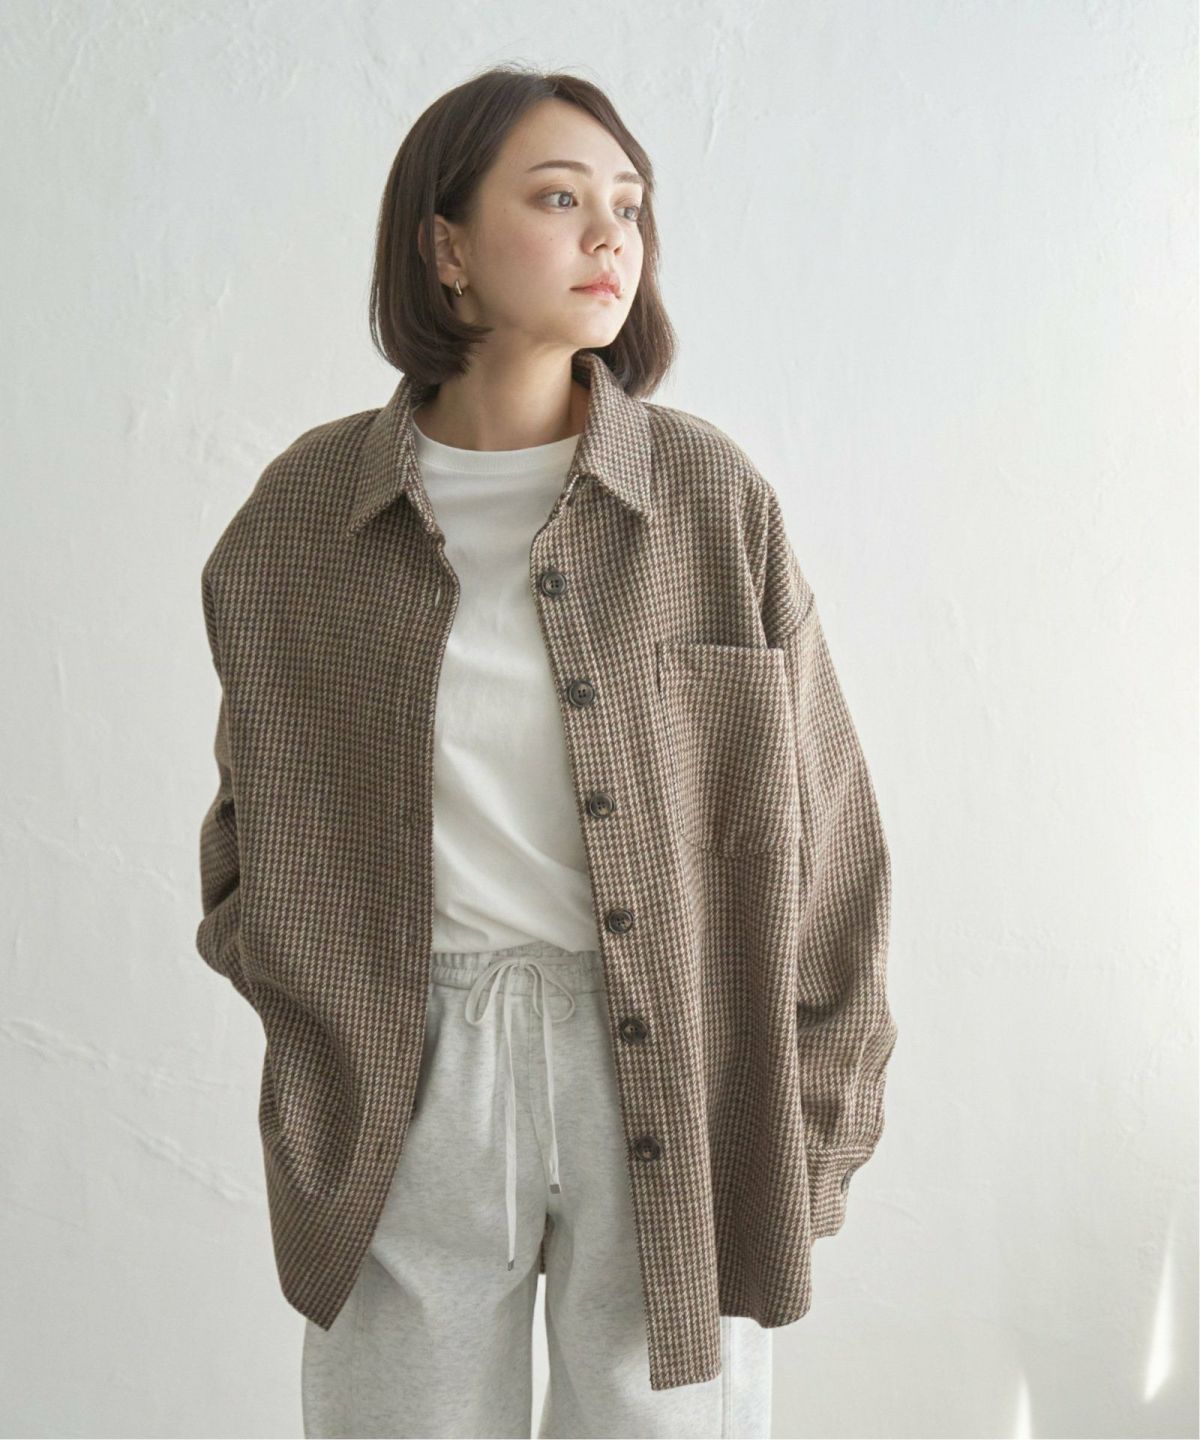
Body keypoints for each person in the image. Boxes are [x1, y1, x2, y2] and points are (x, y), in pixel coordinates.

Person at [195, 63, 897, 1440]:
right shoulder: (301, 518)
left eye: (629, 205)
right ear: (445, 245)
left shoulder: (706, 500)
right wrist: (320, 1044)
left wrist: (809, 1132)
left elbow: (831, 842)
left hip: (673, 1061)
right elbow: (247, 841)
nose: (610, 236)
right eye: (561, 198)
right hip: (409, 1075)